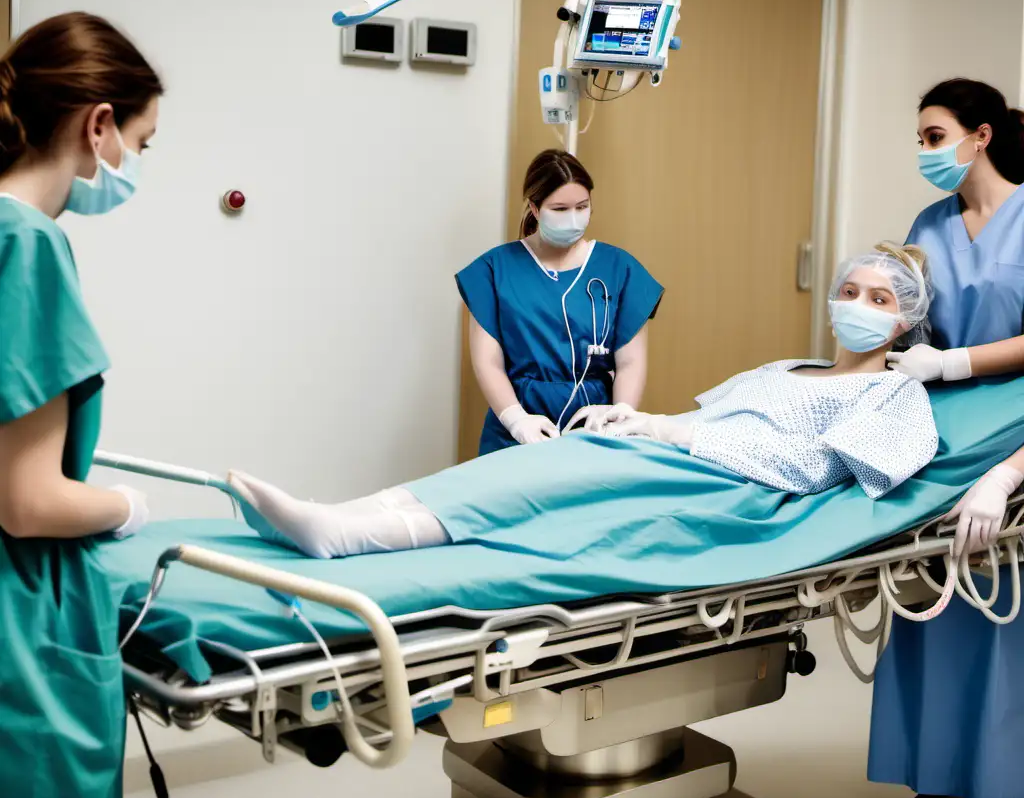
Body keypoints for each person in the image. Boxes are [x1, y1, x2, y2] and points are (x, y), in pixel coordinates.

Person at [228, 243, 938, 560]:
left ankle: (348, 535)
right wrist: (640, 420)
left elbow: (813, 470)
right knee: (521, 466)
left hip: (725, 488)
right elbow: (707, 418)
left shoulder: (893, 389)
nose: (856, 306)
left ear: (903, 321)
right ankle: (342, 517)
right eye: (849, 292)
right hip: (679, 452)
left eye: (878, 300)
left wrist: (666, 434)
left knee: (549, 479)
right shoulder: (791, 367)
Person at [0, 13, 162, 798]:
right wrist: (124, 505)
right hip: (20, 634)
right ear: (97, 124)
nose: (133, 165)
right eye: (140, 141)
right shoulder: (27, 244)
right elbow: (27, 501)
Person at [870, 78, 1024, 798]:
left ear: (982, 135)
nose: (925, 151)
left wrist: (957, 360)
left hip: (1016, 440)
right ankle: (938, 790)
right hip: (941, 435)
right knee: (931, 607)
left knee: (1011, 628)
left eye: (935, 135)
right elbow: (908, 315)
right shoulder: (929, 224)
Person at [458, 149, 664, 455]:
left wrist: (620, 415)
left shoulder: (620, 269)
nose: (573, 218)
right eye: (559, 208)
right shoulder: (494, 270)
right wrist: (515, 419)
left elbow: (630, 361)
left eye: (582, 207)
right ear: (535, 208)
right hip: (516, 425)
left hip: (595, 428)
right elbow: (487, 362)